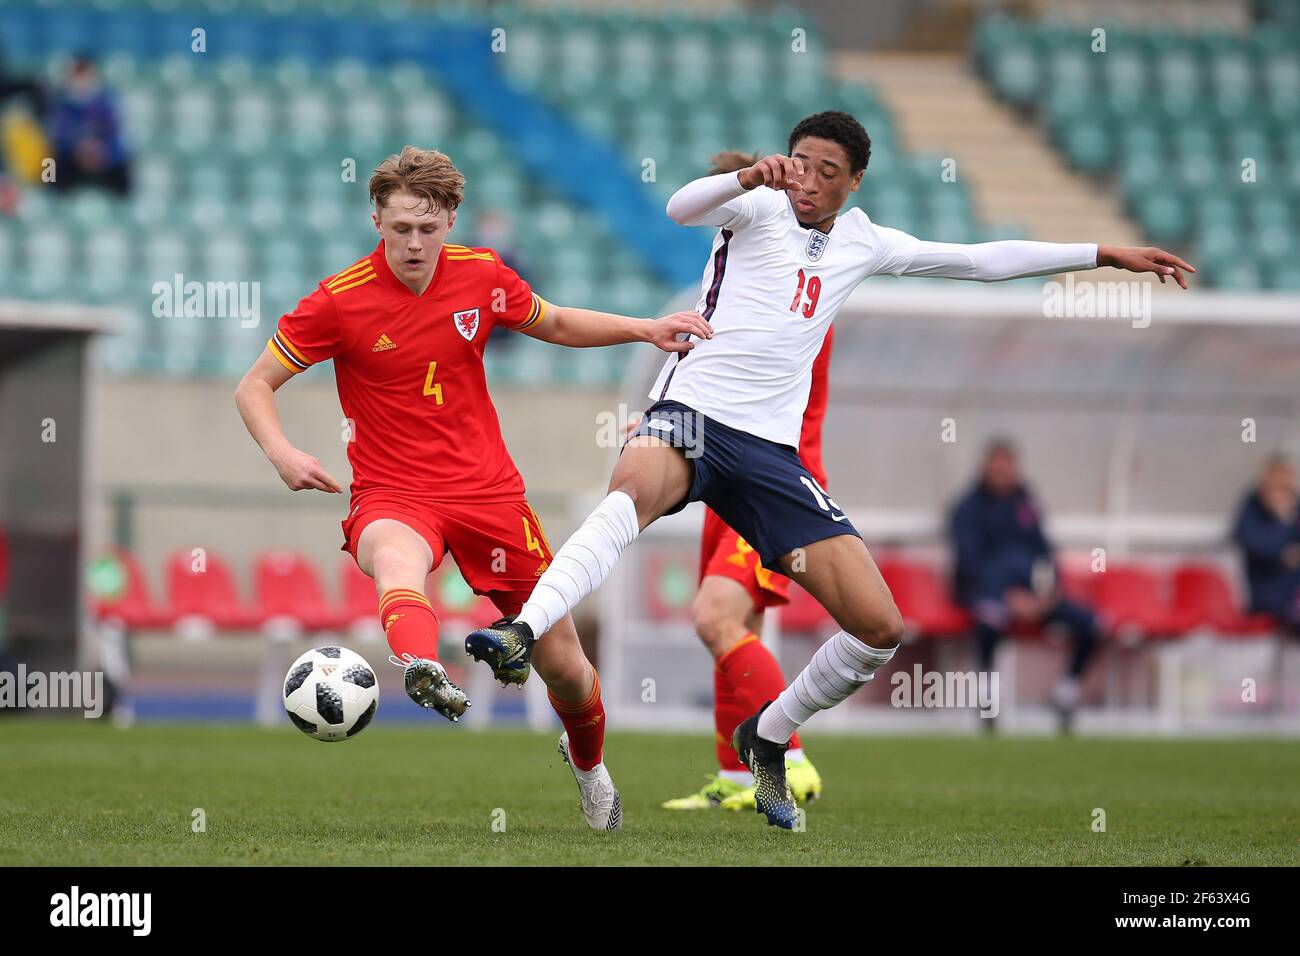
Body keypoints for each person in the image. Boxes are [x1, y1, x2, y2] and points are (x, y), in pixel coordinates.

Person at [463, 110, 1195, 828]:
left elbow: (979, 261)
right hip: (691, 413)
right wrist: (748, 175)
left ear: (854, 183)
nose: (808, 181)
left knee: (879, 627)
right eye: (800, 162)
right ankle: (524, 631)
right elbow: (679, 205)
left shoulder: (865, 242)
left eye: (828, 172)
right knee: (630, 494)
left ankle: (769, 737)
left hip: (771, 456)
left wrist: (1101, 253)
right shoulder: (754, 205)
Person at [234, 146, 710, 831]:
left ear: (452, 221)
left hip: (488, 494)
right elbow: (254, 385)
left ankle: (589, 767)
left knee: (568, 669)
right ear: (376, 219)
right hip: (392, 490)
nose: (414, 244)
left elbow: (553, 322)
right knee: (397, 562)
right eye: (399, 229)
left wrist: (644, 328)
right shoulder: (337, 301)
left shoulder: (483, 275)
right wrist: (281, 453)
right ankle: (424, 666)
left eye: (427, 229)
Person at [662, 150, 828, 812]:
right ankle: (736, 776)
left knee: (716, 617)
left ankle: (793, 759)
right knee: (734, 627)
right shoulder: (741, 282)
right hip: (727, 476)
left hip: (768, 478)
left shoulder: (793, 290)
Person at [949, 438, 1101, 732]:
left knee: (1092, 623)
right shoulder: (968, 506)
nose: (1002, 470)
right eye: (997, 463)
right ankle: (988, 696)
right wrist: (1008, 597)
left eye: (1008, 464)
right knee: (990, 619)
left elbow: (1044, 552)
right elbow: (969, 562)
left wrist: (1046, 592)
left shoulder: (1026, 503)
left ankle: (1065, 694)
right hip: (988, 593)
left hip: (1033, 596)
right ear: (985, 465)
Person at [1233, 453, 1300, 635]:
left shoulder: (1295, 506)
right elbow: (1257, 545)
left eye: (1285, 476)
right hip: (1267, 595)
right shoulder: (1252, 506)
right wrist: (1282, 521)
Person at [48, 56, 129, 195]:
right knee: (48, 162)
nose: (81, 82)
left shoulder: (107, 103)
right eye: (77, 77)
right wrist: (76, 148)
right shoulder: (60, 106)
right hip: (71, 159)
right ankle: (50, 197)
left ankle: (121, 200)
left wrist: (101, 149)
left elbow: (115, 135)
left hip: (104, 160)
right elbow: (57, 137)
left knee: (123, 164)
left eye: (85, 77)